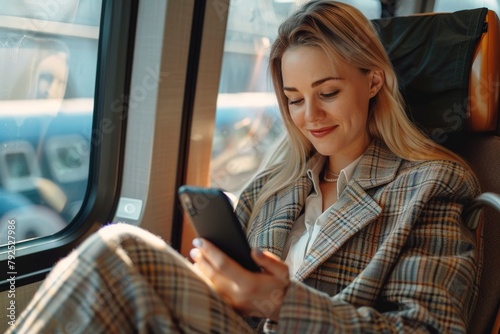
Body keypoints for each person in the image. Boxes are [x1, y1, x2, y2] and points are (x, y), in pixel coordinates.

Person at [8, 1, 481, 333]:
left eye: (329, 93)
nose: (310, 117)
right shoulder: (274, 186)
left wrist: (278, 301)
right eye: (294, 100)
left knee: (120, 248)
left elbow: (426, 328)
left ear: (373, 79)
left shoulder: (430, 185)